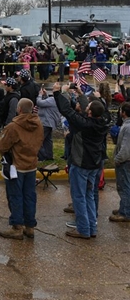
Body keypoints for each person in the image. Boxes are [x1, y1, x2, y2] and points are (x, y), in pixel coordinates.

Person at [53, 82, 108, 239]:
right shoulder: (102, 120)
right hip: (95, 164)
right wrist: (80, 93)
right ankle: (91, 227)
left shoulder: (83, 125)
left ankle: (83, 229)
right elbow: (89, 108)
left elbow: (67, 111)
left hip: (81, 163)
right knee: (89, 195)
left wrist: (59, 93)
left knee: (79, 196)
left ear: (89, 112)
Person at [0, 98, 44, 240]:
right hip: (31, 164)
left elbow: (2, 146)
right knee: (30, 196)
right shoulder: (39, 124)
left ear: (19, 109)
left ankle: (17, 226)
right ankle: (30, 226)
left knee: (15, 196)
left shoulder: (14, 126)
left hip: (16, 166)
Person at [110, 102, 130, 223]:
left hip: (125, 161)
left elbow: (126, 147)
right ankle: (125, 207)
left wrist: (118, 159)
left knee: (124, 186)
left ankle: (125, 213)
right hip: (126, 160)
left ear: (124, 113)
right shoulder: (126, 125)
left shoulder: (127, 127)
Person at [36, 86, 60, 161]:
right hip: (50, 123)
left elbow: (40, 103)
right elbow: (47, 104)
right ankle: (49, 156)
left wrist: (40, 95)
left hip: (46, 123)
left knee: (38, 140)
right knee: (47, 140)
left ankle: (42, 157)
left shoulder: (53, 99)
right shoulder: (57, 99)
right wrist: (45, 95)